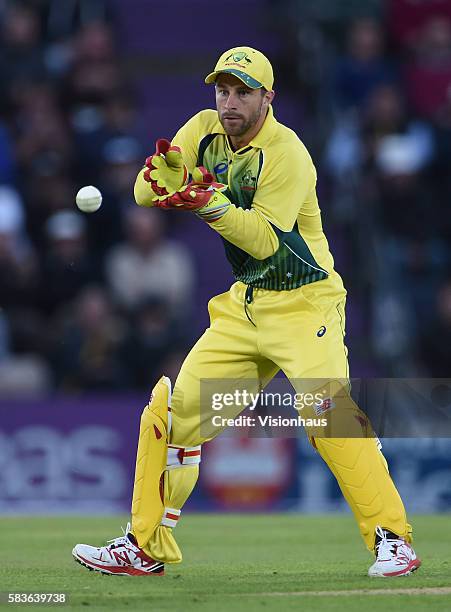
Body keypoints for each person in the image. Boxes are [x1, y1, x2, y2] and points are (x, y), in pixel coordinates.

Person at [72, 46, 421, 578]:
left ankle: (392, 540)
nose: (229, 102)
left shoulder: (287, 154)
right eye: (223, 90)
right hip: (246, 306)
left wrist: (205, 202)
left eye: (242, 92)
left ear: (267, 97)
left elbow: (262, 239)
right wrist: (167, 177)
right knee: (172, 416)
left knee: (328, 414)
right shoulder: (204, 128)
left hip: (306, 304)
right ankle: (144, 545)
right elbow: (145, 190)